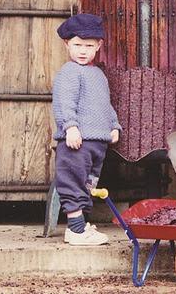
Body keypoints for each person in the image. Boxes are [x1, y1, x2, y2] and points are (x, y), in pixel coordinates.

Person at [52, 13, 121, 246]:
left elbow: (104, 104)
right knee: (72, 181)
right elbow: (64, 102)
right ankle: (75, 230)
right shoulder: (70, 72)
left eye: (89, 46)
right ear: (67, 44)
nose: (83, 51)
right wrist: (70, 127)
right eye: (77, 45)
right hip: (77, 141)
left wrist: (113, 125)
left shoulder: (98, 74)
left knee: (88, 183)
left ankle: (82, 226)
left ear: (99, 46)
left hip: (97, 143)